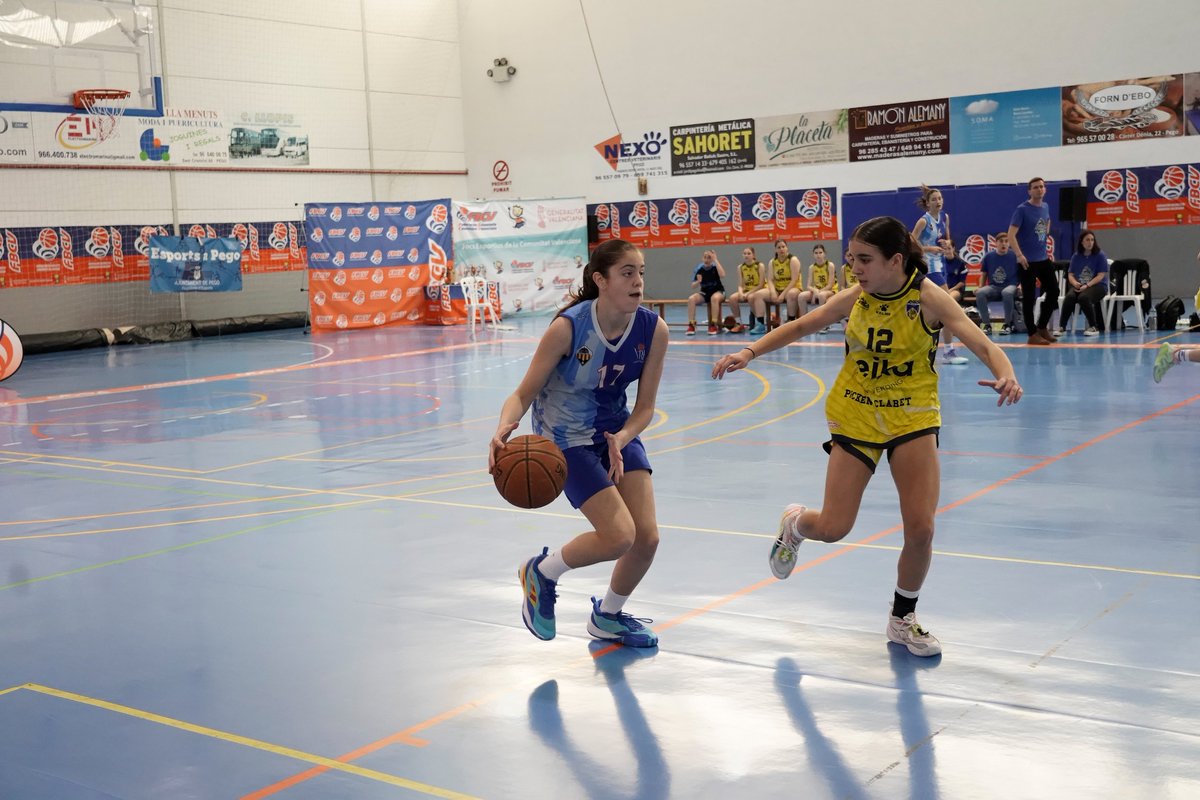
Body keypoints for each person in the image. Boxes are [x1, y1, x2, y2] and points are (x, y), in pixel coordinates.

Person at [712, 216, 1022, 657]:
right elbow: (804, 324)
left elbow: (984, 345)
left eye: (864, 260)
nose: (854, 268)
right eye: (851, 259)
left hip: (912, 417)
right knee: (834, 527)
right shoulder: (857, 297)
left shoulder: (928, 298)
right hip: (855, 414)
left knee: (921, 527)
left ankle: (902, 619)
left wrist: (1006, 374)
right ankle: (796, 524)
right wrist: (749, 350)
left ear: (895, 261)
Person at [492, 238, 669, 648]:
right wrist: (503, 427)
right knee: (619, 535)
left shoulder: (653, 329)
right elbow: (522, 394)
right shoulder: (568, 328)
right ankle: (543, 571)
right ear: (600, 280)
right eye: (627, 272)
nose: (638, 281)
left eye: (641, 272)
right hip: (564, 440)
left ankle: (607, 617)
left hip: (614, 431)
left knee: (647, 539)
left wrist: (622, 438)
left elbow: (645, 408)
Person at [911, 186, 965, 364]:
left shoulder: (945, 217)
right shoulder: (923, 222)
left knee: (934, 309)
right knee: (947, 304)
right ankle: (948, 350)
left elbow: (947, 237)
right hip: (927, 266)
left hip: (940, 265)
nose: (938, 201)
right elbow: (911, 242)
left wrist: (945, 242)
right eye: (934, 199)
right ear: (927, 203)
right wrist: (927, 248)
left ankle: (921, 345)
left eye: (940, 198)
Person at [1008, 177, 1059, 345]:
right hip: (1027, 261)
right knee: (1029, 297)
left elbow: (1047, 222)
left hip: (1043, 259)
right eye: (1036, 187)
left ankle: (1042, 326)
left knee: (1053, 291)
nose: (1039, 189)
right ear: (1029, 191)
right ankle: (1032, 334)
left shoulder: (1045, 207)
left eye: (1042, 186)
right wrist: (1019, 255)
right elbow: (1011, 235)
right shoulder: (1022, 210)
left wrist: (1044, 239)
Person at [1056, 230, 1108, 337]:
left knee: (1083, 298)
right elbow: (1070, 274)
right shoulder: (1076, 256)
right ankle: (1062, 327)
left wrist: (1087, 285)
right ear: (1082, 242)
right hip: (1079, 285)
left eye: (1092, 240)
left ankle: (1094, 327)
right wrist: (1075, 283)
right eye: (1087, 240)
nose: (1090, 242)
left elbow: (1100, 275)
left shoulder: (1100, 255)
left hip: (1097, 286)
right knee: (1069, 297)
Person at [975, 232, 1020, 335]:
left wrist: (1021, 286)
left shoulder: (1015, 255)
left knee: (1007, 293)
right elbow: (984, 273)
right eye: (1001, 241)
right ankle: (986, 324)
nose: (1004, 244)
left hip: (1011, 286)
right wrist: (980, 287)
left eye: (1006, 241)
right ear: (996, 243)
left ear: (1009, 243)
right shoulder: (988, 256)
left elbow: (1022, 272)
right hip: (994, 287)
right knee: (980, 293)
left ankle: (1008, 324)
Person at [728, 246, 767, 335]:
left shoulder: (759, 265)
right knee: (732, 298)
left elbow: (761, 285)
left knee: (750, 297)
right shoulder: (740, 267)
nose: (746, 255)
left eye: (749, 253)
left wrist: (748, 293)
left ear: (753, 255)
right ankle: (739, 323)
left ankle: (760, 323)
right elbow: (740, 285)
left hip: (759, 290)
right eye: (744, 253)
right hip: (747, 290)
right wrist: (741, 293)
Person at [686, 249, 727, 336]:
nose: (707, 259)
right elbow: (693, 286)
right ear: (702, 258)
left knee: (714, 298)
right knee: (691, 299)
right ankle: (691, 324)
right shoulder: (699, 269)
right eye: (705, 257)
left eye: (709, 257)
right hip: (705, 293)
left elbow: (723, 275)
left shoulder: (715, 267)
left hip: (718, 291)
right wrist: (698, 282)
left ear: (712, 259)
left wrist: (715, 259)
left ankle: (713, 324)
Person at [767, 240, 807, 326]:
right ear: (775, 250)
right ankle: (762, 322)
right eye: (779, 247)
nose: (781, 249)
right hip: (778, 289)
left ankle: (791, 320)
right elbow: (770, 279)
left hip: (793, 288)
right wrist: (773, 292)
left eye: (783, 247)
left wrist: (782, 294)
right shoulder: (772, 262)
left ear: (787, 248)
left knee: (791, 294)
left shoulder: (793, 260)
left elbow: (794, 279)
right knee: (757, 295)